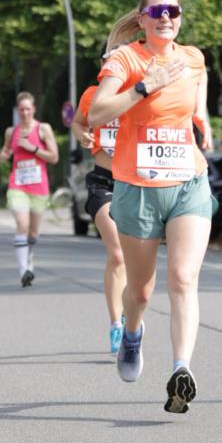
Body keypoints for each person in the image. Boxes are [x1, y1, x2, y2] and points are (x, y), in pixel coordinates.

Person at [90, 0, 215, 414]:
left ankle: (181, 370)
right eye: (157, 11)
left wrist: (205, 127)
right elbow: (97, 113)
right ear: (142, 19)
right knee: (140, 292)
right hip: (138, 188)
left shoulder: (193, 58)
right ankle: (132, 334)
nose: (166, 17)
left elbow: (197, 101)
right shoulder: (125, 59)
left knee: (183, 279)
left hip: (188, 183)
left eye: (173, 11)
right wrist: (145, 86)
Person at [71, 74, 125, 353]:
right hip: (103, 181)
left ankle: (131, 314)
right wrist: (82, 135)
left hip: (137, 182)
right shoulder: (93, 94)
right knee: (116, 253)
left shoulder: (142, 91)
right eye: (108, 60)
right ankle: (116, 323)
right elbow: (77, 122)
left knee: (135, 258)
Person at [0, 92, 59, 287]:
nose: (24, 112)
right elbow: (6, 150)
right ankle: (23, 270)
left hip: (38, 186)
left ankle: (29, 254)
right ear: (17, 111)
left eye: (27, 109)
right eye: (21, 109)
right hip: (17, 184)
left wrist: (32, 148)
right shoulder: (11, 131)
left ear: (33, 109)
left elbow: (54, 157)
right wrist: (4, 154)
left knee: (32, 232)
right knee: (22, 225)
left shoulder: (43, 129)